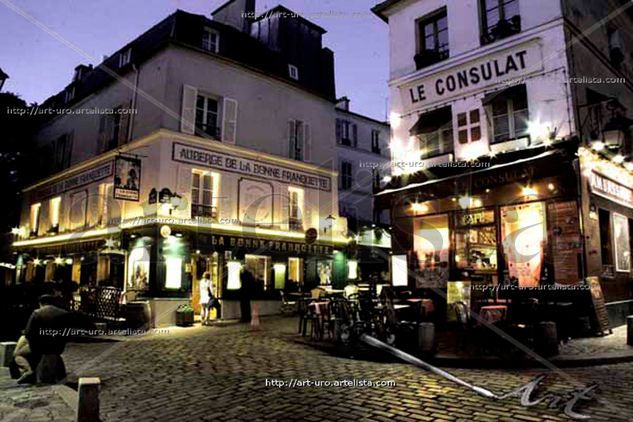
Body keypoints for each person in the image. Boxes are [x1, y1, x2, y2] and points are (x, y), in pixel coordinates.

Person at [12, 294, 70, 384]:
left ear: (41, 303)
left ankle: (28, 371)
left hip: (41, 347)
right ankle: (61, 376)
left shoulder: (37, 313)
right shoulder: (64, 313)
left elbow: (28, 332)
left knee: (18, 355)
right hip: (58, 347)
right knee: (56, 356)